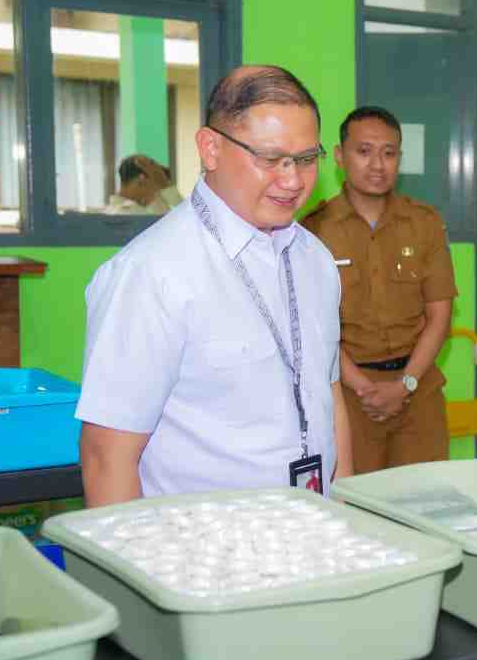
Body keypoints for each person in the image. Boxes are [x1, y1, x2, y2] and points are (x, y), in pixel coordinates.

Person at [76, 65, 352, 505]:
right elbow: (106, 457)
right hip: (199, 554)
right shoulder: (153, 272)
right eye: (269, 158)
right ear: (211, 147)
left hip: (311, 538)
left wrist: (344, 516)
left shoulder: (314, 259)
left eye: (305, 158)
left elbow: (329, 393)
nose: (292, 180)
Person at [302, 106, 457, 473]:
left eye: (389, 153)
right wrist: (364, 388)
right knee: (355, 511)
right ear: (340, 156)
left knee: (425, 503)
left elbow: (440, 315)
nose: (378, 164)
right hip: (348, 396)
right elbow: (315, 327)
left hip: (417, 392)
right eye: (364, 151)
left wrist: (404, 385)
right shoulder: (313, 231)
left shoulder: (425, 223)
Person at [105, 155, 181, 215]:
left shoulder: (110, 211)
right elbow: (189, 219)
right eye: (157, 188)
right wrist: (165, 186)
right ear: (142, 181)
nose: (158, 195)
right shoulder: (133, 213)